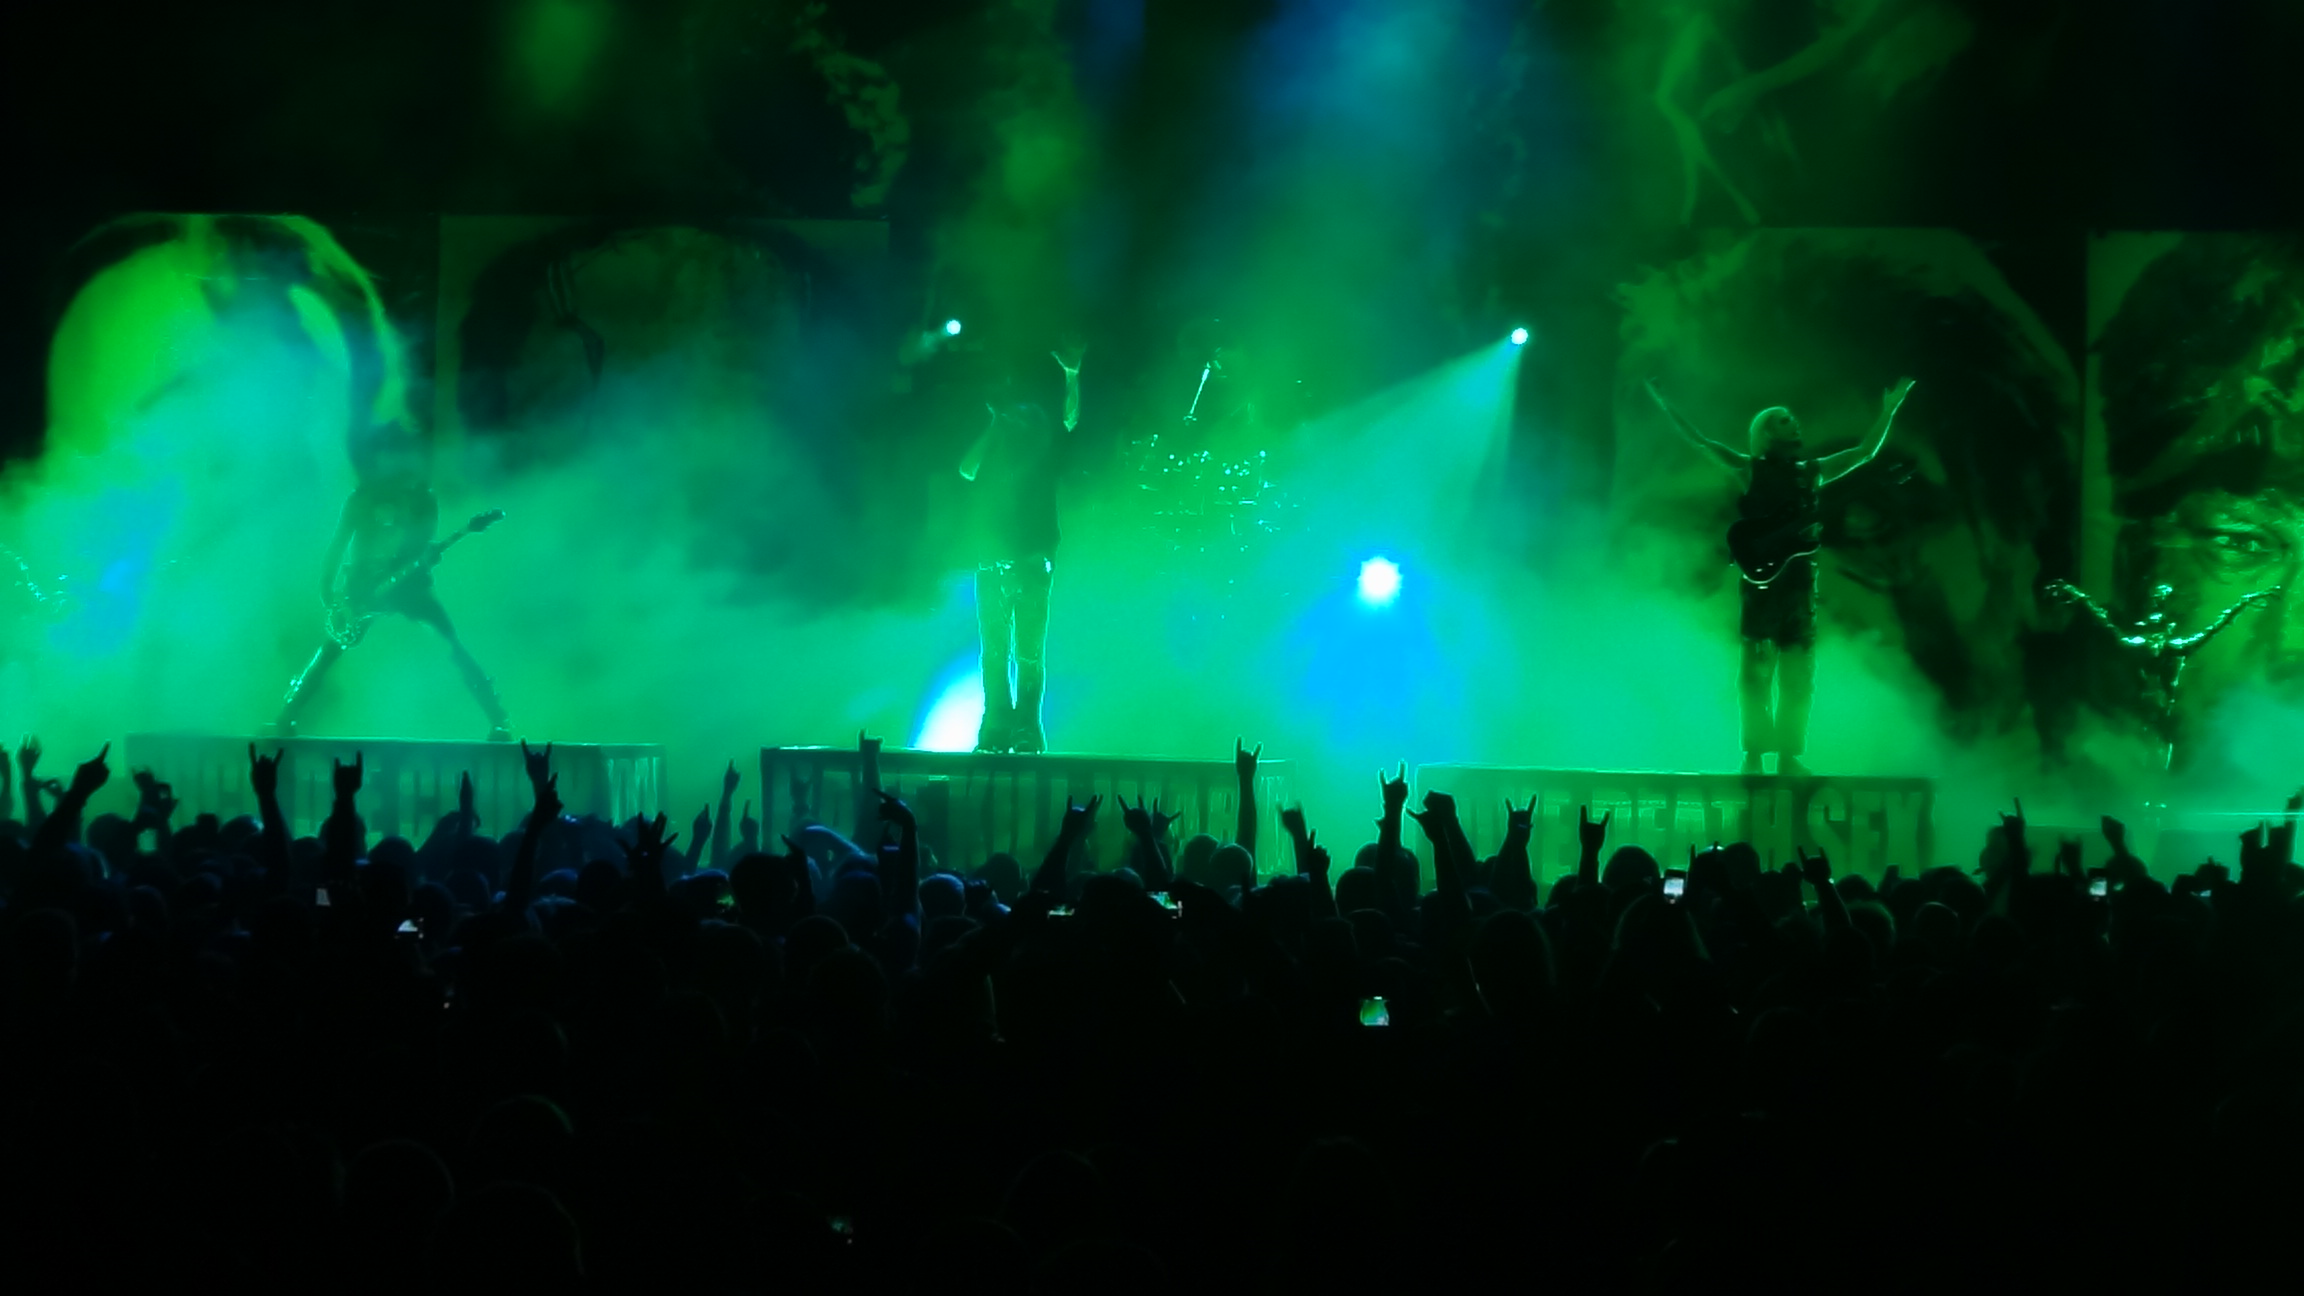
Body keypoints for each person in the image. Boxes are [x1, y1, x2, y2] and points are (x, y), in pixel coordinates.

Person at [1648, 376, 1917, 774]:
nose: (1793, 422)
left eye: (1791, 418)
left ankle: (1790, 757)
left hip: (1800, 588)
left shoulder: (1811, 472)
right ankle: (1754, 757)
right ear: (1766, 432)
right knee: (1757, 670)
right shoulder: (1750, 469)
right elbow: (1701, 442)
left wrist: (1889, 410)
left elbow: (1864, 452)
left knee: (1798, 673)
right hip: (1762, 587)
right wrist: (1667, 404)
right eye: (1782, 420)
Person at [273, 434, 512, 739]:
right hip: (361, 589)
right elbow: (336, 546)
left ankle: (498, 720)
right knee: (328, 652)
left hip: (408, 588)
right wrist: (329, 595)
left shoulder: (423, 500)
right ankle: (286, 716)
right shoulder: (362, 500)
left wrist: (424, 559)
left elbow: (421, 547)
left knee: (450, 644)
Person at [958, 346, 1082, 754]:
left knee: (1028, 650)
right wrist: (995, 426)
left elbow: (1069, 421)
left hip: (1032, 560)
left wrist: (1072, 376)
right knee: (994, 649)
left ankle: (1027, 728)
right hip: (992, 561)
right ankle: (997, 724)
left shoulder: (1045, 450)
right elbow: (966, 468)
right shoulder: (996, 449)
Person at [2045, 579, 2281, 770]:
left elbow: (2215, 628)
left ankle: (2157, 790)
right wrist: (2080, 597)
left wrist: (2246, 602)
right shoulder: (2137, 647)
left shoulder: (2176, 648)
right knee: (2140, 751)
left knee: (2161, 751)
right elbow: (2105, 625)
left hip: (2161, 712)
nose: (2155, 638)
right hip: (2140, 711)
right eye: (2152, 631)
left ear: (2166, 631)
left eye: (2159, 632)